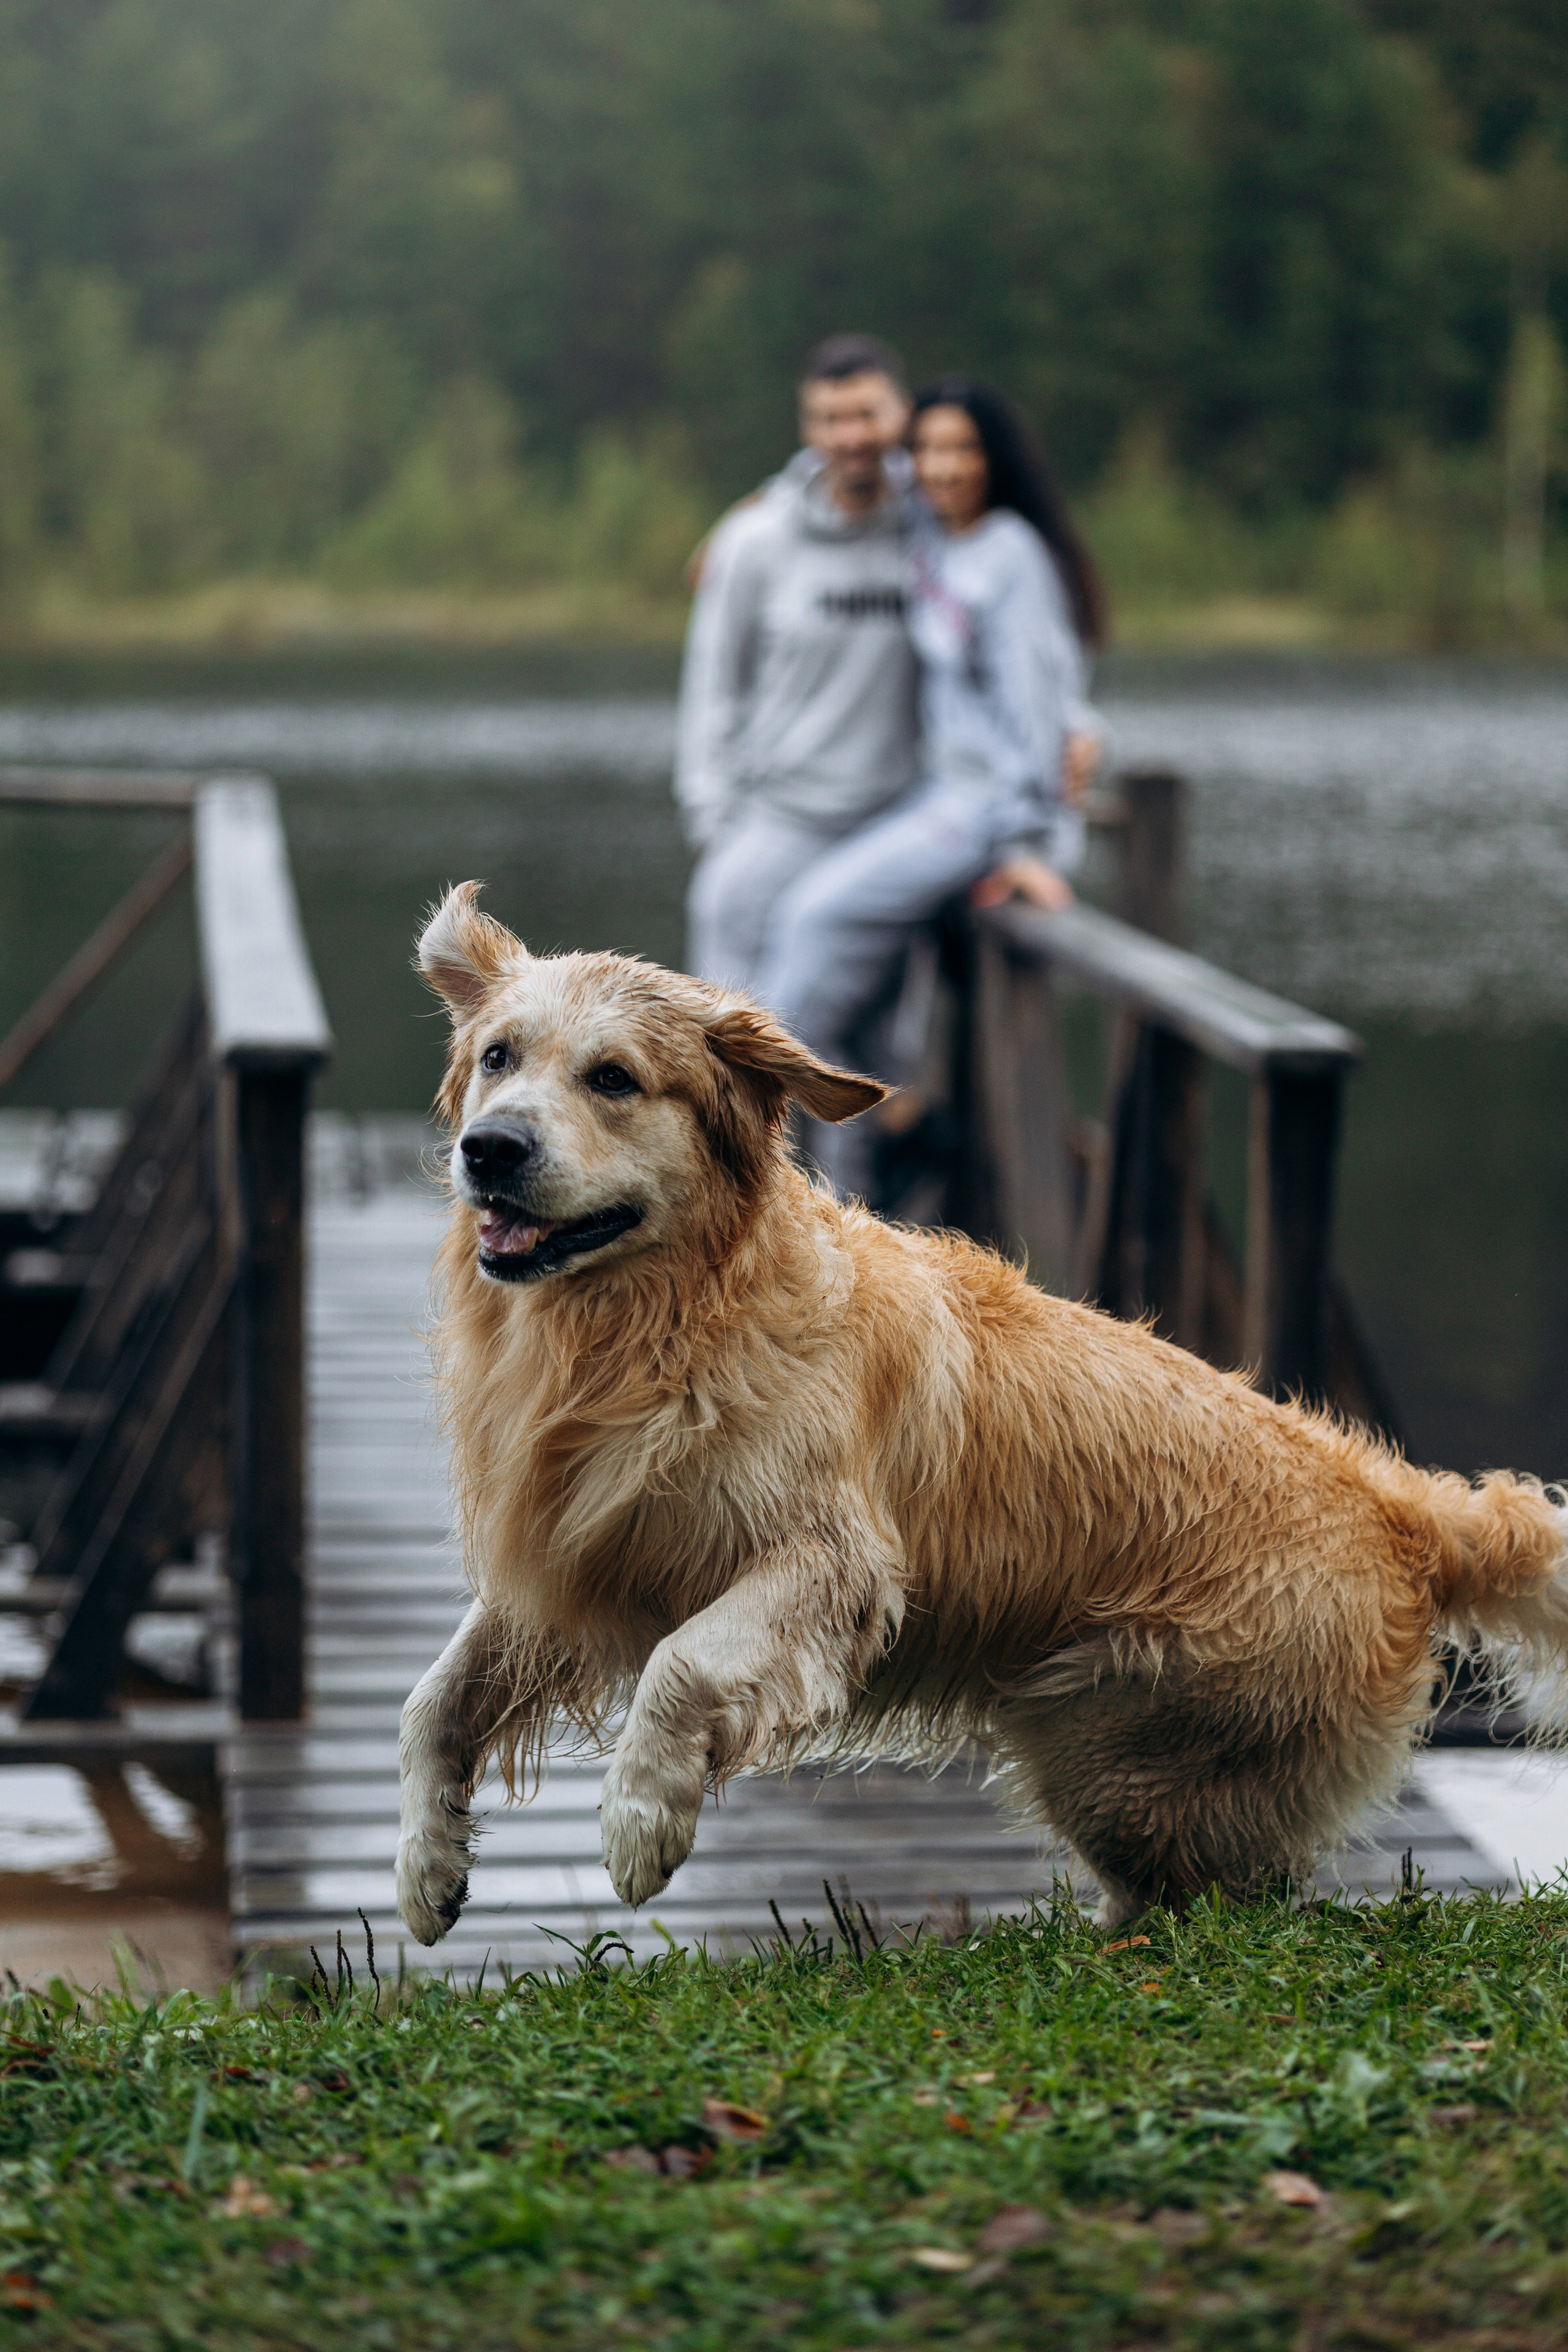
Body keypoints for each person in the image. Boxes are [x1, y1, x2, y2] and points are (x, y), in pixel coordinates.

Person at [756, 375, 1107, 1185]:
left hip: (984, 814)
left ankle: (854, 1136)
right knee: (828, 965)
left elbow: (1041, 702)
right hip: (936, 796)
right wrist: (755, 512)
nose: (942, 467)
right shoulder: (931, 528)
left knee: (812, 920)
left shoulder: (1011, 555)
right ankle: (888, 1131)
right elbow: (836, 467)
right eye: (930, 449)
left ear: (996, 459)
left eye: (963, 449)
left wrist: (1032, 845)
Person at [676, 333, 921, 995]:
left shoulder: (934, 528)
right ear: (806, 426)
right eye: (830, 419)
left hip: (899, 823)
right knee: (729, 1030)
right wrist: (711, 819)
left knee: (874, 1040)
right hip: (780, 818)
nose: (850, 436)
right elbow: (713, 682)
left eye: (867, 414)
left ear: (903, 415)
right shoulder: (755, 539)